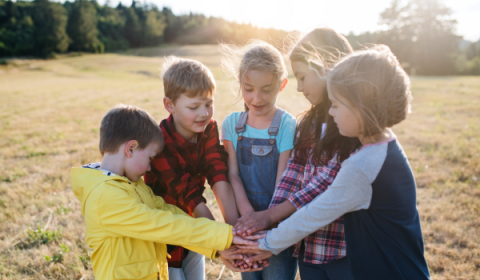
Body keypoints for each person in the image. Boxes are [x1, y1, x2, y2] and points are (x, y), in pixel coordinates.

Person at [248, 45, 431, 280]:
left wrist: (263, 245)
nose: (331, 113)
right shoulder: (385, 148)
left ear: (361, 107)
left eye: (335, 104)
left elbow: (312, 216)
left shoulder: (363, 167)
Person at [71, 104, 256, 280]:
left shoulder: (131, 185)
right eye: (150, 157)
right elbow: (165, 225)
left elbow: (169, 213)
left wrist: (218, 245)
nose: (150, 167)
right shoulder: (105, 196)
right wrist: (224, 236)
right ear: (131, 148)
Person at [233, 27, 361, 280]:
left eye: (302, 77)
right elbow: (292, 173)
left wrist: (270, 217)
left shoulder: (351, 124)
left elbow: (326, 185)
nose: (300, 88)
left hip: (343, 250)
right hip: (309, 249)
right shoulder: (309, 124)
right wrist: (267, 222)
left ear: (327, 68)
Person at [143, 56, 240, 280]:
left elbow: (218, 174)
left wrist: (235, 232)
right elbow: (191, 197)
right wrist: (220, 241)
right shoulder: (160, 144)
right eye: (194, 106)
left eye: (209, 104)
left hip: (196, 233)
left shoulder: (208, 129)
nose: (204, 113)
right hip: (167, 239)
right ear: (170, 105)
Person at [220, 41, 298, 280]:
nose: (257, 98)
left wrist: (265, 223)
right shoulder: (232, 124)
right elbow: (232, 174)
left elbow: (283, 180)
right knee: (250, 275)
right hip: (246, 223)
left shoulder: (286, 124)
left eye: (267, 89)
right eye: (249, 88)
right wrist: (247, 219)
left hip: (278, 224)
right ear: (240, 84)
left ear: (281, 85)